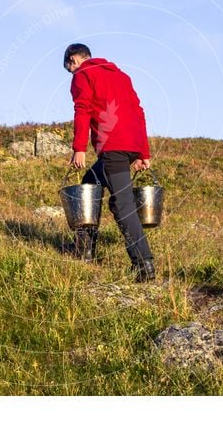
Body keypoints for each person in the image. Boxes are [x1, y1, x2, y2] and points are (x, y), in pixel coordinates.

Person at [63, 43, 155, 282]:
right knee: (89, 183)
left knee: (123, 205)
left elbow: (82, 110)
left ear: (74, 60)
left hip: (113, 146)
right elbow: (139, 112)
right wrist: (142, 152)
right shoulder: (122, 76)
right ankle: (84, 251)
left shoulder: (83, 74)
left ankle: (144, 264)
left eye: (69, 69)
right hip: (130, 144)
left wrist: (79, 148)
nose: (71, 75)